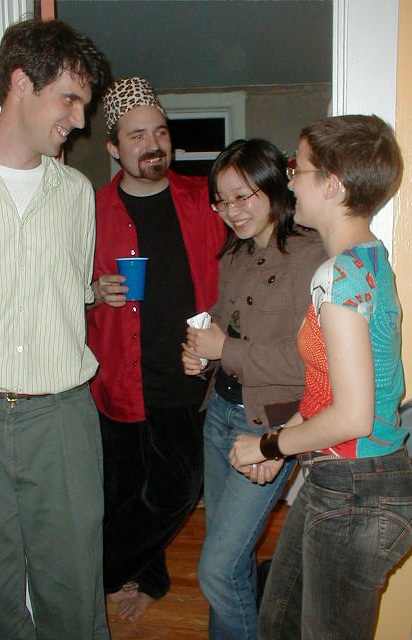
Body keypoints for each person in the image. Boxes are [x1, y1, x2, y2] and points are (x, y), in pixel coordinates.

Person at [0, 18, 111, 640]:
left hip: (62, 421)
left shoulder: (77, 194)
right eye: (70, 99)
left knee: (76, 595)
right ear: (20, 84)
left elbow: (68, 299)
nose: (80, 120)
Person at [230, 114, 412, 640]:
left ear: (332, 185)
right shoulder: (369, 260)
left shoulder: (340, 275)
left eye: (298, 169)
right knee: (278, 622)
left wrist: (267, 444)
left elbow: (353, 417)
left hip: (357, 492)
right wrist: (284, 447)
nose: (289, 182)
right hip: (343, 481)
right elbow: (328, 390)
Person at [86, 76, 226, 621]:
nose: (153, 145)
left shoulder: (203, 199)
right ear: (113, 147)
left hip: (185, 375)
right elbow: (56, 282)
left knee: (178, 487)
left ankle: (91, 575)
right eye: (137, 135)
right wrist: (91, 290)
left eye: (160, 132)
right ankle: (149, 578)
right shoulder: (89, 209)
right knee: (123, 493)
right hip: (116, 378)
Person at [181, 138, 327, 639]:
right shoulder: (236, 254)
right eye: (221, 201)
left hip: (265, 423)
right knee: (229, 561)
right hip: (219, 414)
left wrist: (226, 349)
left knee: (218, 569)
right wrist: (200, 354)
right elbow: (224, 322)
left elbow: (311, 362)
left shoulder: (311, 256)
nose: (231, 212)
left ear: (274, 186)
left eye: (242, 196)